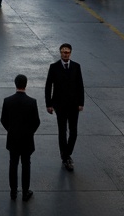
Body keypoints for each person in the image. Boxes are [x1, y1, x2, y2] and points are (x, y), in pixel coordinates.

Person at [44, 43, 84, 171]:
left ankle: (66, 154)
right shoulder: (54, 67)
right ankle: (66, 157)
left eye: (67, 52)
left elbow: (80, 86)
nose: (65, 54)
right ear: (60, 53)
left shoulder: (76, 67)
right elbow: (48, 86)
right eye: (63, 52)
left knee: (74, 132)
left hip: (73, 105)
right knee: (62, 131)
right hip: (60, 105)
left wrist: (81, 103)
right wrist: (49, 104)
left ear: (70, 53)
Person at [0, 73, 40, 201]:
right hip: (27, 139)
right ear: (26, 84)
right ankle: (25, 192)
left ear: (15, 84)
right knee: (26, 165)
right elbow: (36, 122)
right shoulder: (32, 102)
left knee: (13, 164)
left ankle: (13, 192)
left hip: (13, 138)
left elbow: (3, 120)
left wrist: (11, 130)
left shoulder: (8, 101)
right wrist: (29, 132)